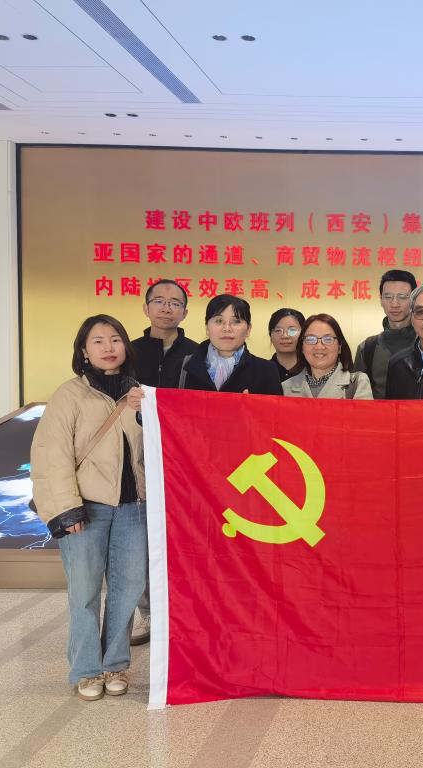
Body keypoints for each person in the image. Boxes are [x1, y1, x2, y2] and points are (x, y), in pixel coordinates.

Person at [30, 315, 147, 701]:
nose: (108, 347)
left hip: (133, 508)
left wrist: (145, 413)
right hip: (86, 508)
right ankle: (86, 669)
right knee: (84, 591)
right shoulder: (70, 395)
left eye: (115, 339)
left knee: (128, 589)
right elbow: (52, 454)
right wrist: (67, 508)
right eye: (98, 341)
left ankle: (115, 664)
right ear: (84, 351)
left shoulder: (140, 394)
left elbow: (156, 450)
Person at [129, 278, 198, 646]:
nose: (167, 308)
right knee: (142, 536)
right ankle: (149, 613)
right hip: (137, 454)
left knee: (183, 537)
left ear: (185, 311)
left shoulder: (197, 353)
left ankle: (185, 613)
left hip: (183, 456)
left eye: (175, 303)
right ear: (146, 307)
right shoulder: (129, 351)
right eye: (159, 301)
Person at [176, 294, 282, 395]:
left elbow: (275, 408)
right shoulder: (182, 367)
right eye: (219, 321)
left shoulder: (267, 370)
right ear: (207, 328)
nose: (227, 328)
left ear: (248, 329)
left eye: (236, 321)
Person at [354, 269, 418, 399]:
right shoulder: (367, 348)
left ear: (414, 300)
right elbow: (358, 399)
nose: (394, 304)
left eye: (402, 297)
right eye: (388, 297)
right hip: (377, 412)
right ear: (381, 300)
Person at [282, 314, 373, 399]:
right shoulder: (285, 387)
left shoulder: (357, 383)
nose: (319, 347)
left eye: (328, 339)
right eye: (311, 339)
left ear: (339, 347)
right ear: (302, 347)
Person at [269, 308, 306, 381]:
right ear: (270, 336)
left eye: (292, 330)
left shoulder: (314, 370)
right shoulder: (261, 371)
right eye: (278, 330)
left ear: (304, 334)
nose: (285, 336)